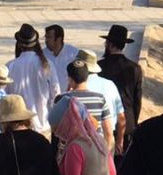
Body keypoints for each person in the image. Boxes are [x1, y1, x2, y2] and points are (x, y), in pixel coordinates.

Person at [6, 24, 61, 139]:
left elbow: (5, 98)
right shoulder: (47, 65)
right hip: (42, 127)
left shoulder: (10, 66)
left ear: (19, 44)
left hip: (17, 129)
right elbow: (56, 95)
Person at [98, 24, 143, 158]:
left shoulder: (100, 66)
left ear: (110, 44)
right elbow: (137, 100)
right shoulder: (135, 68)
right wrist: (133, 122)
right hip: (127, 121)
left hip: (105, 121)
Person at [49, 60, 114, 149]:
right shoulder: (100, 99)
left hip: (69, 151)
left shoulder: (61, 99)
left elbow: (55, 130)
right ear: (87, 77)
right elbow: (109, 133)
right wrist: (106, 154)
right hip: (94, 151)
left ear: (70, 79)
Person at [76, 49, 124, 152]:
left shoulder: (78, 87)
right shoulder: (110, 84)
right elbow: (121, 117)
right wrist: (120, 140)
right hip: (107, 140)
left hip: (83, 142)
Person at [44, 24, 79, 89]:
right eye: (46, 37)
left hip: (68, 94)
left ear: (58, 39)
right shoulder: (42, 55)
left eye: (49, 37)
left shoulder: (73, 53)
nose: (46, 40)